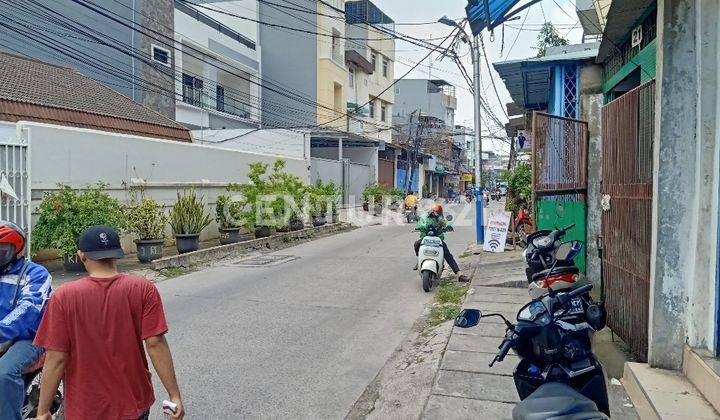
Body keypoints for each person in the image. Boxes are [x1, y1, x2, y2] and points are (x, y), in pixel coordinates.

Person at [33, 225, 185, 420]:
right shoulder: (143, 288)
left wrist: (43, 410)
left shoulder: (64, 296)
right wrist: (174, 396)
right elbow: (155, 344)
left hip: (86, 406)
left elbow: (56, 357)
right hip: (133, 402)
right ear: (117, 254)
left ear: (81, 255)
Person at [0, 221, 52, 419]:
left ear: (17, 250)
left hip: (30, 338)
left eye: (2, 250)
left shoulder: (35, 274)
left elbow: (28, 309)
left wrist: (1, 329)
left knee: (3, 374)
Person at [413, 204, 468, 282]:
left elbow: (445, 223)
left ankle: (459, 274)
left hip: (437, 239)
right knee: (416, 244)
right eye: (436, 213)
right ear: (432, 212)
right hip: (425, 238)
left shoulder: (440, 218)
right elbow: (421, 223)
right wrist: (422, 226)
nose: (437, 215)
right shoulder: (424, 216)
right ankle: (419, 259)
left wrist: (448, 227)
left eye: (438, 214)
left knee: (448, 255)